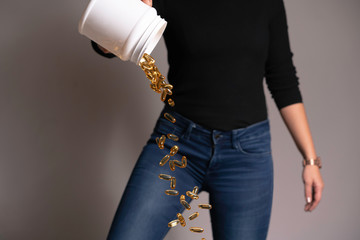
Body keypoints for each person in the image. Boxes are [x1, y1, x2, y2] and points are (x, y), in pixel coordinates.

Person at [90, 0, 324, 239]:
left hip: (245, 156)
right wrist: (125, 16)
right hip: (176, 144)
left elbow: (283, 79)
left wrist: (311, 160)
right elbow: (106, 45)